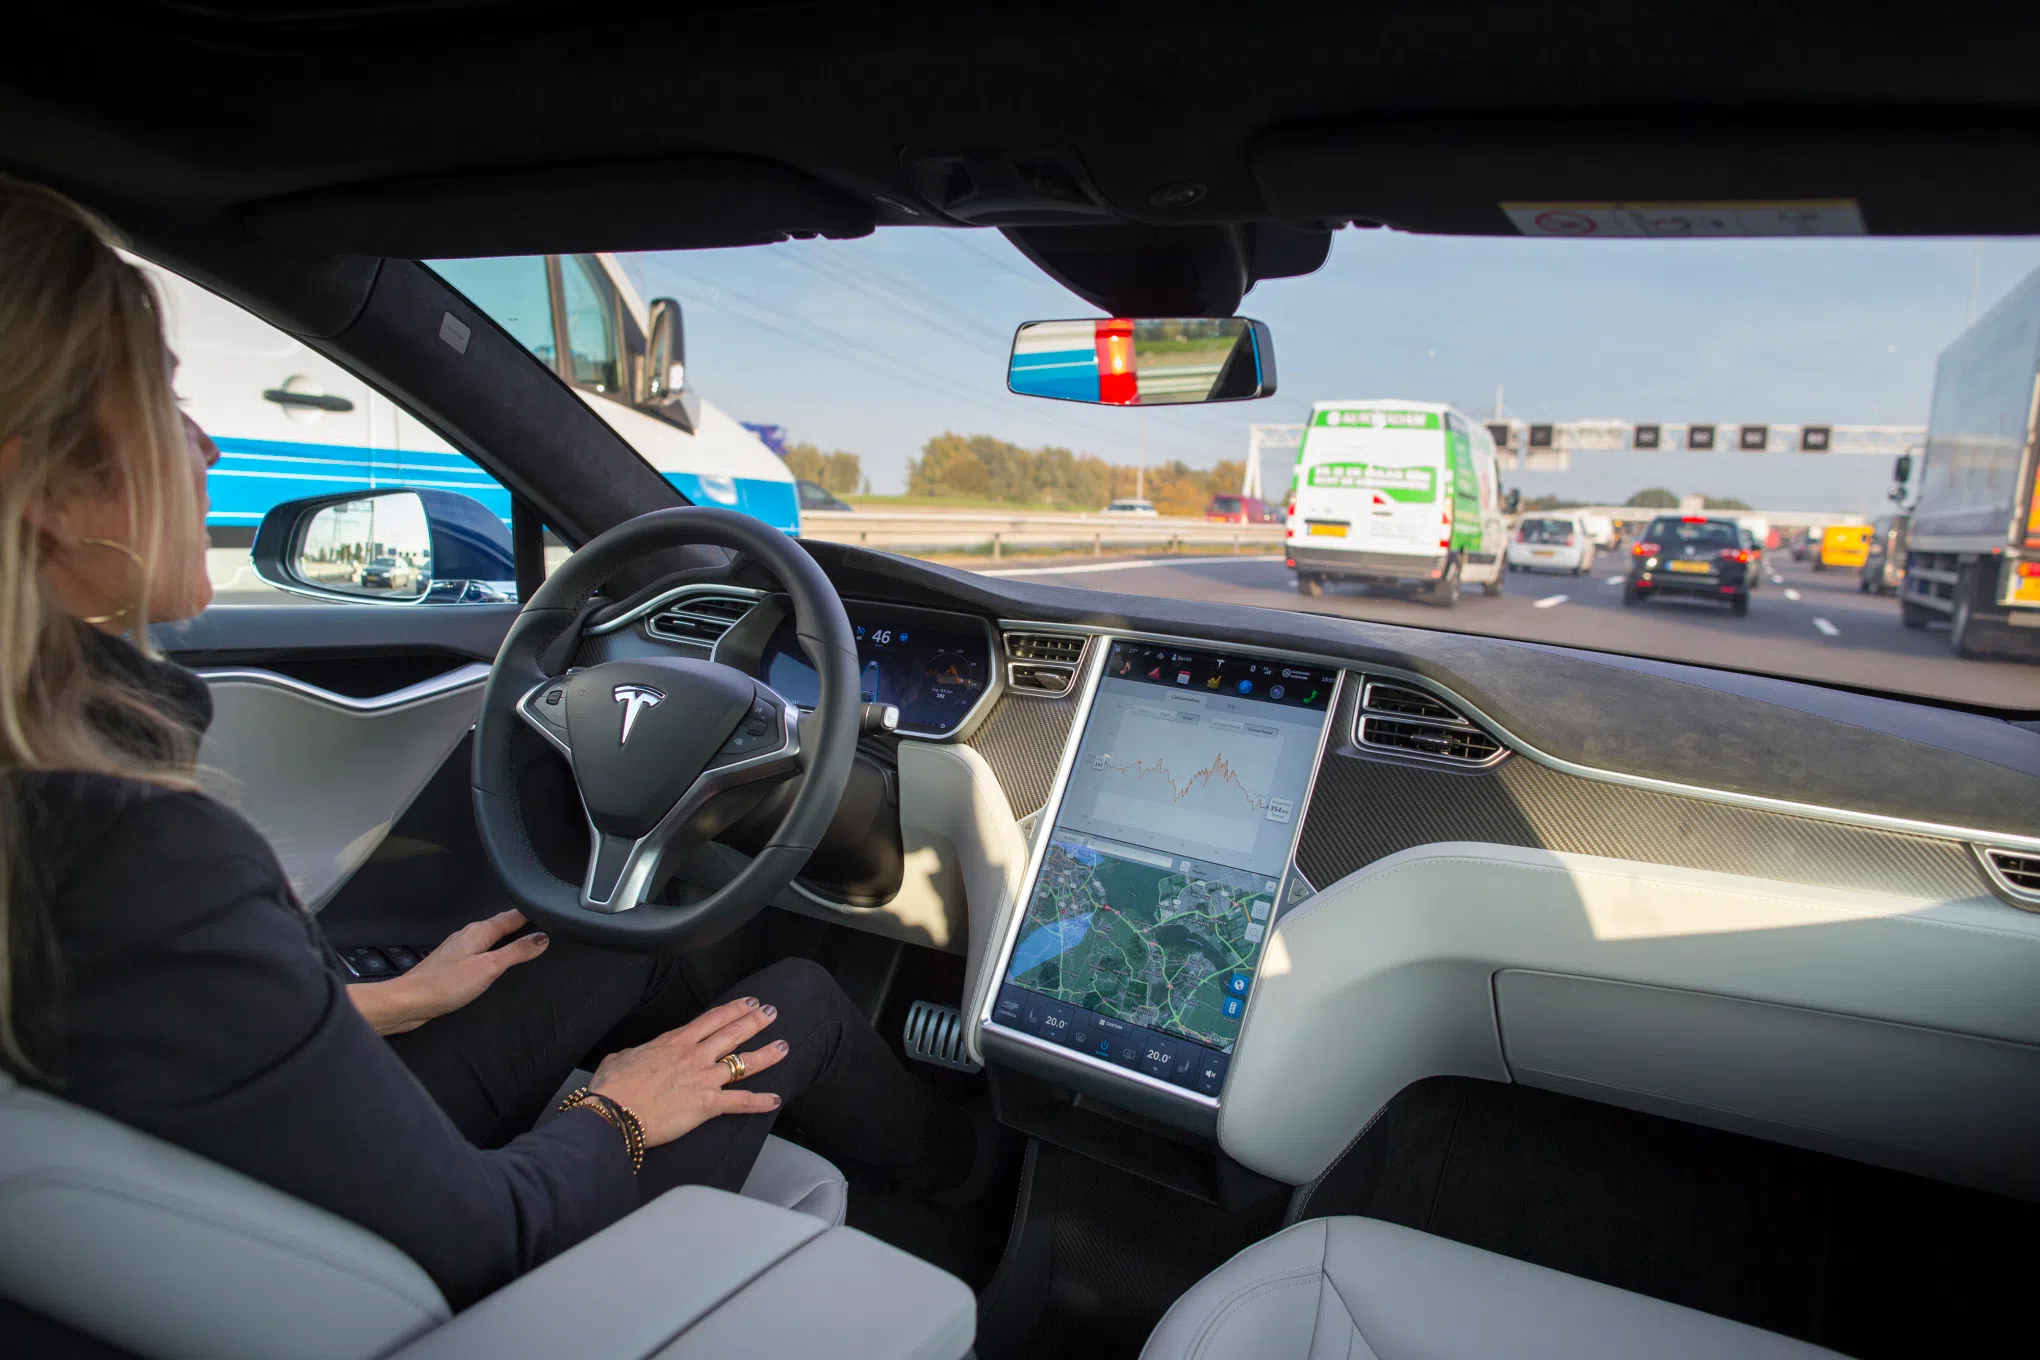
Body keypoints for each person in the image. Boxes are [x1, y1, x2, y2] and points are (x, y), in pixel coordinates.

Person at [0, 175, 984, 1310]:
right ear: (47, 491)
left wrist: (397, 1000)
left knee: (623, 945)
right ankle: (970, 1201)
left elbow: (175, 1037)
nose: (206, 445)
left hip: (245, 1214)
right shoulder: (131, 855)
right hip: (441, 1285)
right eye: (167, 406)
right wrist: (619, 1110)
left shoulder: (57, 830)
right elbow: (486, 1238)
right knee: (800, 999)